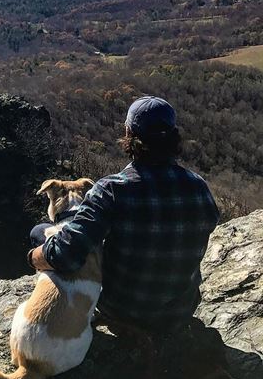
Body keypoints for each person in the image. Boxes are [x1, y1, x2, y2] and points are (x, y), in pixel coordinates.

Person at [27, 96, 220, 334]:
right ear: (174, 137)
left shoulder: (111, 190)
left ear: (129, 134)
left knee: (38, 232)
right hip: (179, 312)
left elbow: (67, 254)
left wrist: (33, 257)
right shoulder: (198, 186)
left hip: (122, 312)